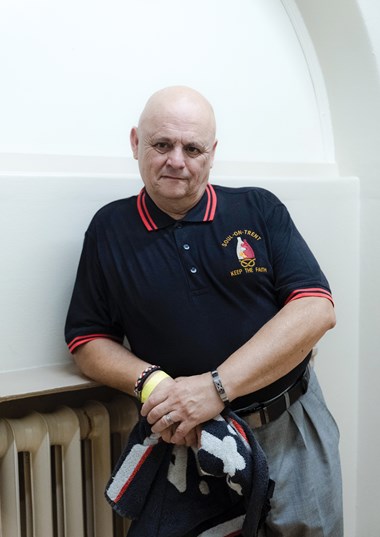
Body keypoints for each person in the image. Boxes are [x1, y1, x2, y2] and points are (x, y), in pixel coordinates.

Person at [65, 86, 343, 536]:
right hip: (190, 441)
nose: (177, 160)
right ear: (136, 143)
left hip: (291, 428)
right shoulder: (108, 230)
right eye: (162, 145)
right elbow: (87, 341)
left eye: (192, 148)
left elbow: (315, 309)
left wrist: (216, 388)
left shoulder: (259, 208)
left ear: (212, 153)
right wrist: (154, 384)